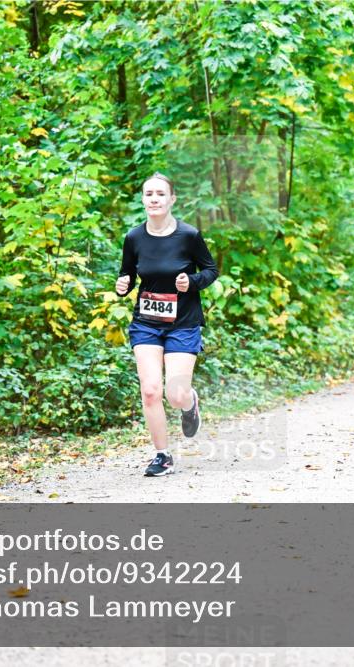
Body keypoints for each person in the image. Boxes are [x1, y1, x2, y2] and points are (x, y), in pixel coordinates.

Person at [116, 173, 219, 476]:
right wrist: (123, 285)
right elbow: (127, 274)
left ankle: (189, 403)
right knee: (150, 390)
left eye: (160, 194)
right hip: (146, 323)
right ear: (143, 199)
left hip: (183, 323)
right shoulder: (134, 237)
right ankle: (162, 455)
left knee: (175, 393)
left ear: (172, 199)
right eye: (149, 194)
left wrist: (192, 282)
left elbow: (211, 270)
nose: (154, 199)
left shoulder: (189, 235)